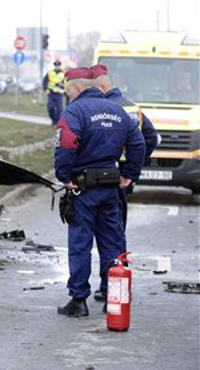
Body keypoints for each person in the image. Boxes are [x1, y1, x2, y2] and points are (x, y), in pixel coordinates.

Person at [54, 67, 145, 317]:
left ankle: (78, 300)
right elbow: (139, 143)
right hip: (111, 188)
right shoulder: (117, 110)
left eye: (67, 90)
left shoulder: (74, 111)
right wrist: (130, 175)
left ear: (76, 88)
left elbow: (65, 145)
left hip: (83, 189)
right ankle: (113, 296)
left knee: (80, 244)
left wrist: (64, 177)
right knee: (112, 243)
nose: (67, 95)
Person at [89, 64, 159, 302]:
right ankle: (116, 284)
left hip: (105, 175)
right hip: (123, 179)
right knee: (117, 233)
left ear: (101, 86)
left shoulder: (105, 109)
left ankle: (107, 284)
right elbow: (152, 138)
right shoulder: (133, 108)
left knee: (104, 234)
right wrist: (132, 169)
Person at [42, 60, 65, 125]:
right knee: (50, 107)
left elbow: (66, 83)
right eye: (56, 65)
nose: (57, 66)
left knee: (59, 109)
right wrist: (45, 89)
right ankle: (53, 119)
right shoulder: (50, 72)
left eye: (58, 65)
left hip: (59, 93)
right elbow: (45, 81)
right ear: (54, 66)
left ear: (60, 66)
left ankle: (56, 122)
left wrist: (63, 88)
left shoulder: (64, 73)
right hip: (51, 93)